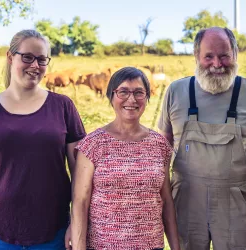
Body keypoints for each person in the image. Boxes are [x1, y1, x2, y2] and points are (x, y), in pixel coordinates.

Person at [158, 26, 246, 250]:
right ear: (196, 57)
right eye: (208, 57)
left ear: (235, 55)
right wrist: (158, 203)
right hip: (185, 201)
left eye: (224, 56)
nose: (217, 64)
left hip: (236, 204)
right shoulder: (176, 91)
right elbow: (161, 150)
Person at [0, 29, 86, 250]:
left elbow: (80, 172)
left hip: (54, 233)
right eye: (27, 57)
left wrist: (76, 225)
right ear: (10, 58)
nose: (35, 65)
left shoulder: (63, 107)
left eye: (42, 59)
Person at [70, 67, 180, 250]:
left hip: (151, 245)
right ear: (111, 97)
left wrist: (176, 247)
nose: (131, 99)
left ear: (147, 97)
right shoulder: (93, 144)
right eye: (123, 92)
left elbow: (166, 200)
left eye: (139, 92)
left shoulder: (159, 145)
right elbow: (80, 203)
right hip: (103, 245)